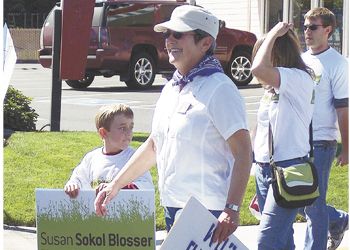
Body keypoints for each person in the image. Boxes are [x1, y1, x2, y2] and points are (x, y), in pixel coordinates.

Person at [94, 5, 252, 244]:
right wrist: (115, 185)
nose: (169, 40)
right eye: (167, 34)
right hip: (173, 206)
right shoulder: (172, 87)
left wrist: (231, 209)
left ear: (205, 43)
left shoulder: (221, 89)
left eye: (178, 34)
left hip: (209, 212)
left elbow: (243, 153)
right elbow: (155, 146)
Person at [251, 22, 315, 249]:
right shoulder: (272, 89)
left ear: (278, 53)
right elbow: (261, 128)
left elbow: (257, 69)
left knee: (266, 242)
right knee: (283, 239)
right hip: (264, 168)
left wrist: (274, 34)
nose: (258, 60)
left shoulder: (298, 79)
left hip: (289, 168)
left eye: (265, 53)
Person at [300, 7, 349, 250]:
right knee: (298, 199)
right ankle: (339, 219)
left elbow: (343, 109)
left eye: (313, 27)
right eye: (305, 26)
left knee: (313, 204)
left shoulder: (337, 63)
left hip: (322, 142)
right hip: (296, 140)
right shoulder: (299, 58)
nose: (306, 31)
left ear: (328, 30)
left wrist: (346, 148)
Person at [64, 104, 153, 198]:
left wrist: (119, 188)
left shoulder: (135, 158)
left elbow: (146, 185)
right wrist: (73, 185)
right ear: (104, 133)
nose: (129, 133)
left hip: (124, 211)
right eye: (122, 128)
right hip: (96, 210)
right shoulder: (91, 158)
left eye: (131, 127)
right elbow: (78, 178)